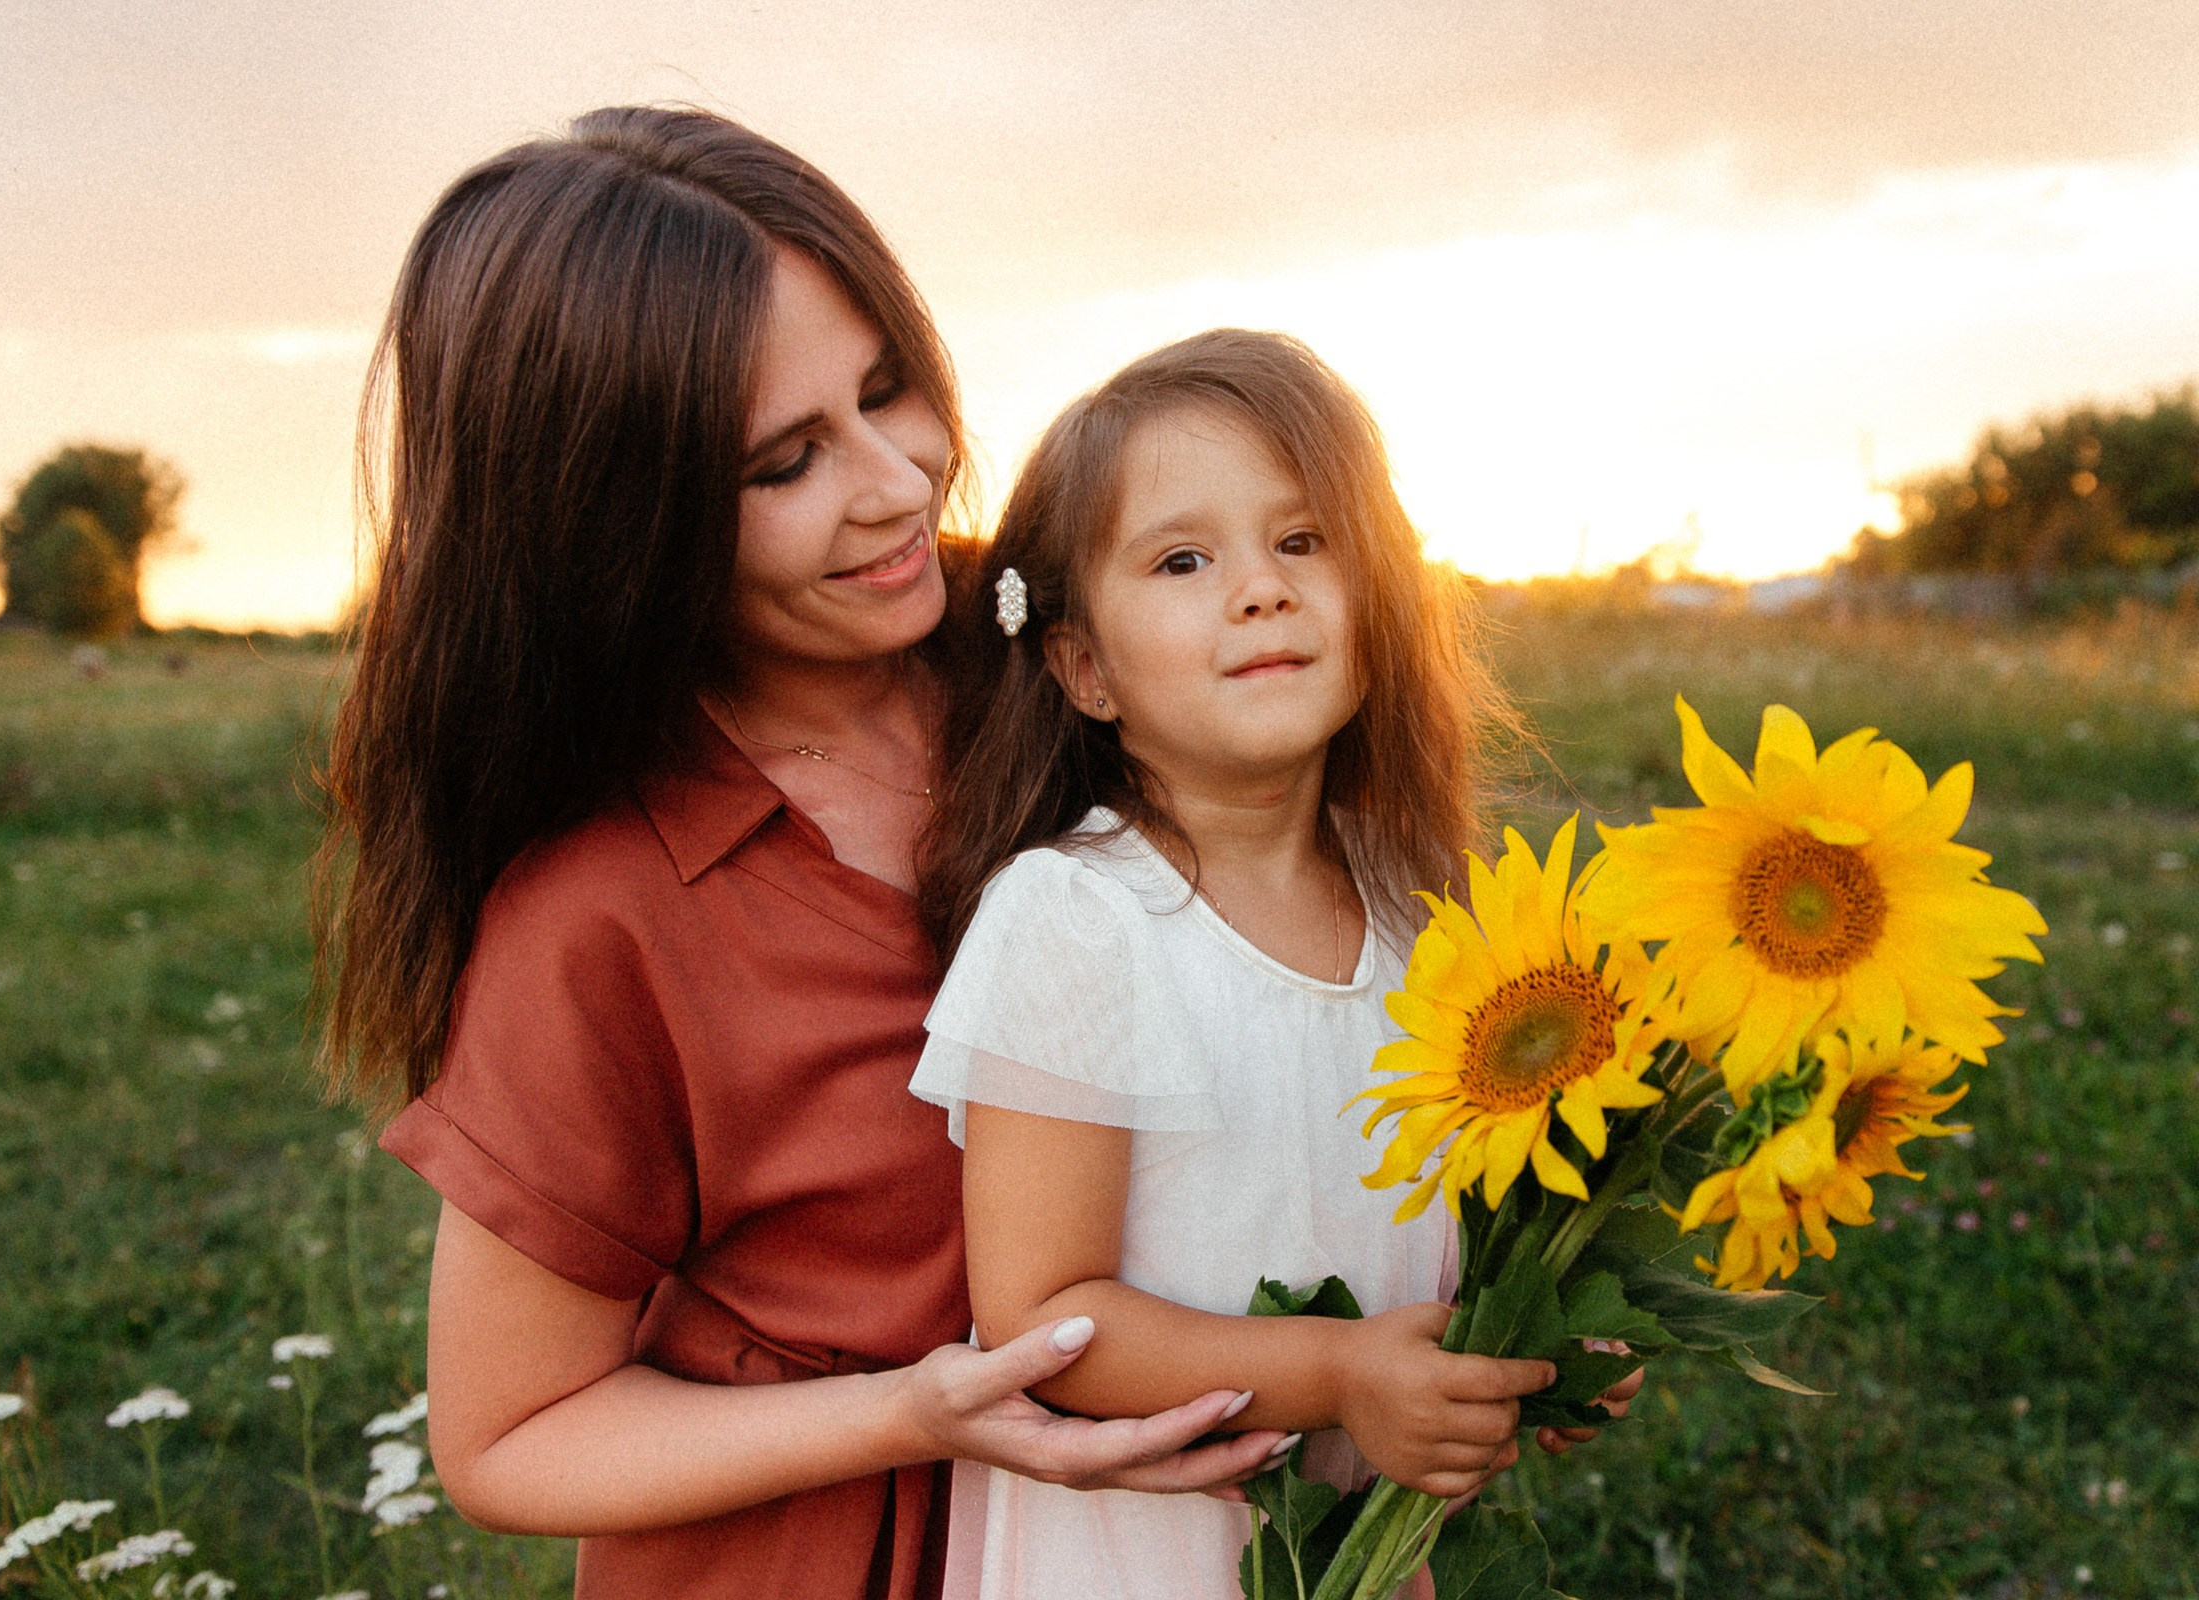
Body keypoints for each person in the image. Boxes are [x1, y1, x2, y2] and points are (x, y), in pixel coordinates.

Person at [316, 109, 1290, 1600]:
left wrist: (1483, 1302)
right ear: (614, 523)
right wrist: (910, 1411)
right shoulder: (605, 912)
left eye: (889, 388)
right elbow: (510, 1437)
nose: (901, 484)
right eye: (786, 463)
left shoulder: (1093, 653)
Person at [910, 330, 1638, 1600]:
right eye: (1184, 559)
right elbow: (1040, 1321)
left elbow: (1424, 1216)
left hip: (1356, 1544)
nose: (1261, 588)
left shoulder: (1421, 908)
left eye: (1303, 540)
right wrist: (1348, 1374)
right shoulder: (1078, 914)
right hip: (1143, 1546)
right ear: (1083, 668)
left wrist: (1522, 1341)